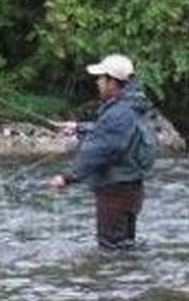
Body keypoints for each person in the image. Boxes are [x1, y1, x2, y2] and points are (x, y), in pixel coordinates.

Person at [48, 54, 158, 250]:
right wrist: (79, 128)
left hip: (115, 191)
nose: (98, 83)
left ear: (112, 82)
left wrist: (67, 178)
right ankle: (132, 279)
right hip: (130, 188)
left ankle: (114, 280)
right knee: (125, 247)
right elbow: (112, 133)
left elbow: (101, 150)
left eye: (101, 78)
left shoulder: (119, 112)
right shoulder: (131, 106)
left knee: (111, 250)